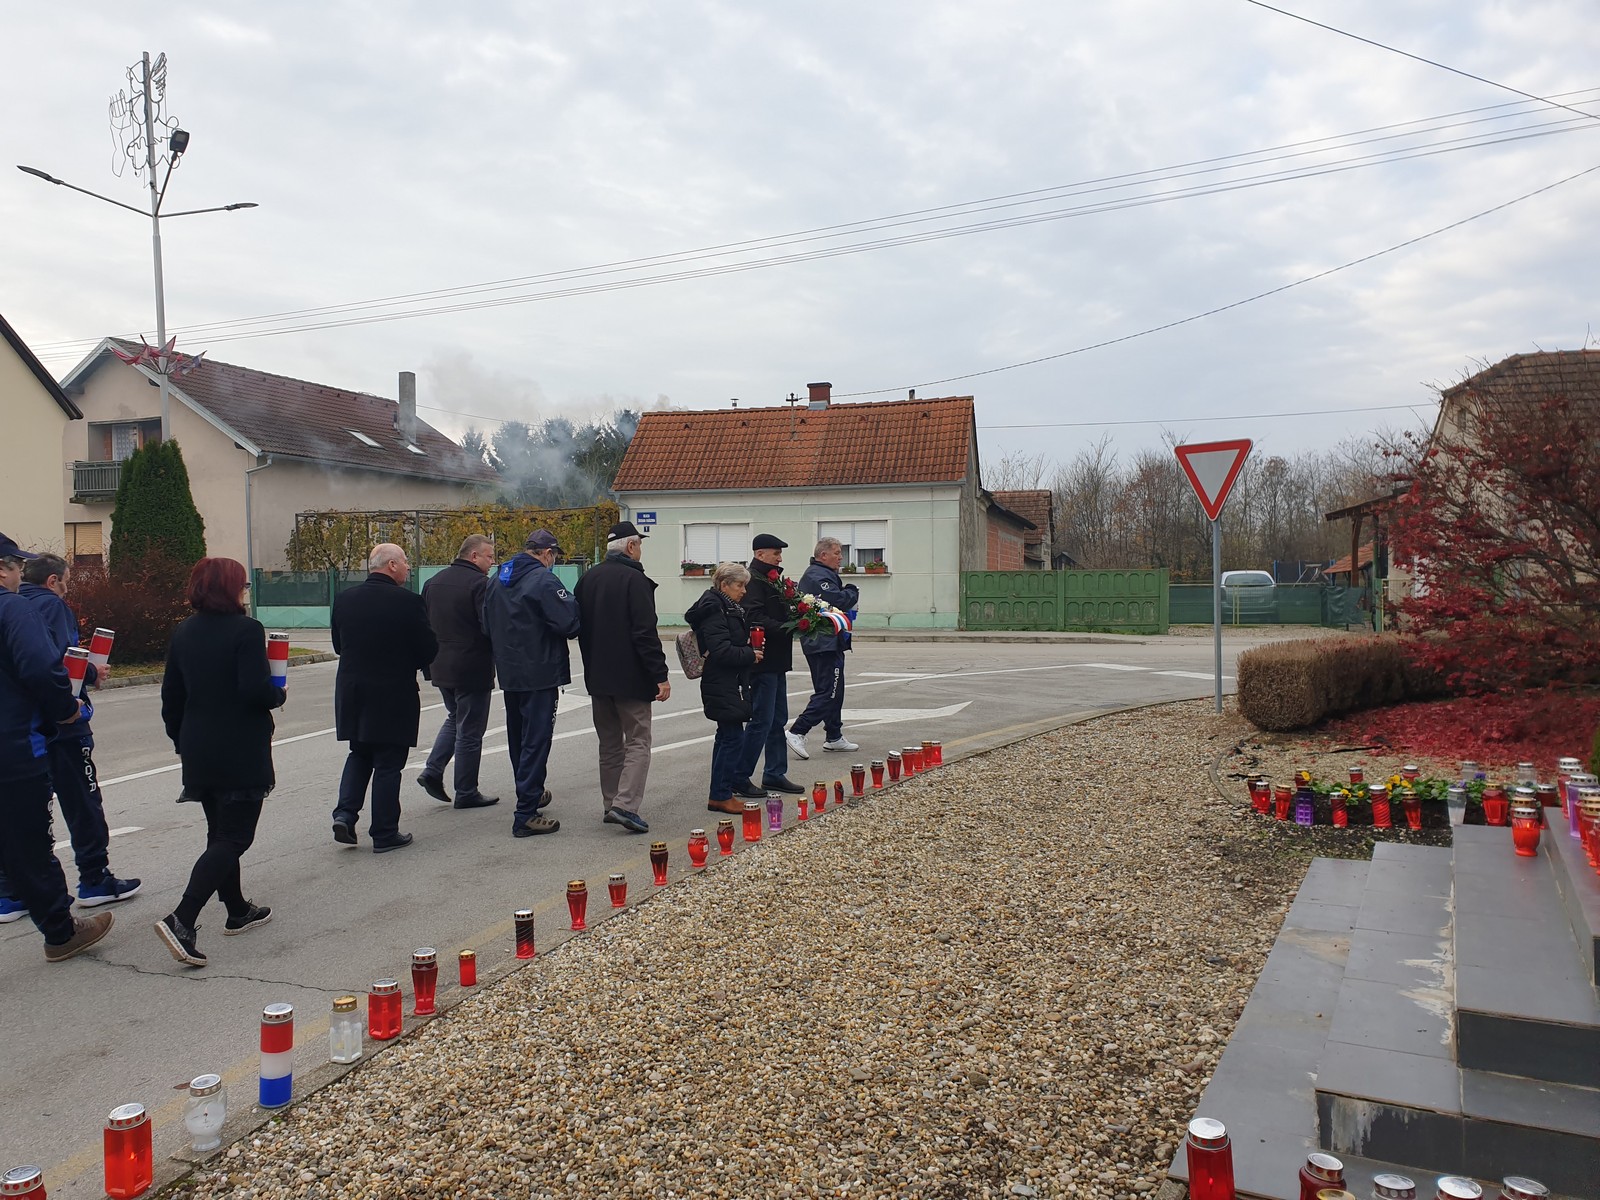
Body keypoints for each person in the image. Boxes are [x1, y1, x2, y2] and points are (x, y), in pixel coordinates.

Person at [156, 557, 286, 966]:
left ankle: (236, 909)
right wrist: (277, 693)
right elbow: (253, 690)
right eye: (243, 586)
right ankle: (183, 917)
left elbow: (171, 697)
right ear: (231, 590)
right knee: (235, 837)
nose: (245, 592)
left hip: (198, 745)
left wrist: (181, 740)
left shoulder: (184, 632)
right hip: (239, 746)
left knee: (219, 832)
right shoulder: (246, 630)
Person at [0, 532, 112, 961]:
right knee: (30, 842)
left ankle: (17, 900)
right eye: (12, 567)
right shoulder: (11, 609)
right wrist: (66, 709)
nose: (16, 576)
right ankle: (61, 931)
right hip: (14, 746)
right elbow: (41, 666)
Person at [7, 554, 141, 912]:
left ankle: (11, 893)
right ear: (53, 581)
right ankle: (95, 878)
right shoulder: (50, 606)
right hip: (62, 726)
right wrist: (90, 680)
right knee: (82, 800)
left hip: (22, 729)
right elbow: (62, 663)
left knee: (25, 811)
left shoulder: (12, 606)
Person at [330, 544, 438, 853]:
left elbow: (339, 645)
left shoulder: (344, 599)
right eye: (405, 562)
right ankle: (384, 831)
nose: (408, 567)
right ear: (391, 565)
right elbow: (427, 650)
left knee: (359, 753)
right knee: (389, 762)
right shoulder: (408, 603)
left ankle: (345, 814)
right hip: (393, 691)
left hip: (352, 690)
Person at [574, 521, 669, 835]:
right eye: (639, 544)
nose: (640, 550)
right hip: (631, 677)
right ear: (631, 547)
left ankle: (610, 803)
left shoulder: (587, 580)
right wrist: (660, 675)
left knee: (610, 744)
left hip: (598, 676)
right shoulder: (635, 580)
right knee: (638, 741)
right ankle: (625, 806)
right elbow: (644, 634)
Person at [483, 529, 580, 838]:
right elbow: (569, 623)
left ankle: (530, 791)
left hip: (510, 671)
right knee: (537, 740)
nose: (553, 561)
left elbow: (486, 625)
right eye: (554, 556)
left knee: (519, 738)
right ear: (546, 553)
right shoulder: (544, 580)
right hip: (540, 672)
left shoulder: (496, 580)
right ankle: (526, 812)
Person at [418, 534, 499, 810]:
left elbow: (424, 623)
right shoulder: (480, 585)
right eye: (489, 556)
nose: (492, 562)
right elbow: (489, 626)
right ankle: (466, 790)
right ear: (473, 556)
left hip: (440, 664)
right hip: (471, 666)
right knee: (471, 730)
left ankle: (433, 769)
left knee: (456, 718)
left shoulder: (433, 582)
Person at [685, 562, 762, 814]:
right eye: (739, 585)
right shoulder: (714, 608)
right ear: (724, 584)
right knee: (732, 739)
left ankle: (720, 793)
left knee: (727, 737)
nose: (743, 591)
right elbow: (721, 650)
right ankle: (720, 794)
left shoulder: (723, 605)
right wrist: (750, 654)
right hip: (721, 680)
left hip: (726, 680)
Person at [732, 533, 803, 798]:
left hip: (777, 661)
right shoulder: (753, 581)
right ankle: (740, 776)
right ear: (760, 554)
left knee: (778, 719)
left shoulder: (772, 580)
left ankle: (774, 773)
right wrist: (788, 627)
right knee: (761, 720)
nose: (779, 558)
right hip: (762, 662)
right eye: (775, 553)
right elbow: (754, 618)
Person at [786, 537, 861, 759]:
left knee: (835, 691)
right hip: (822, 642)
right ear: (823, 555)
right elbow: (837, 599)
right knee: (828, 691)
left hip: (829, 641)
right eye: (837, 553)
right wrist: (852, 591)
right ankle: (797, 731)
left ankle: (834, 736)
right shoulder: (817, 575)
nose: (841, 557)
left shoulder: (825, 573)